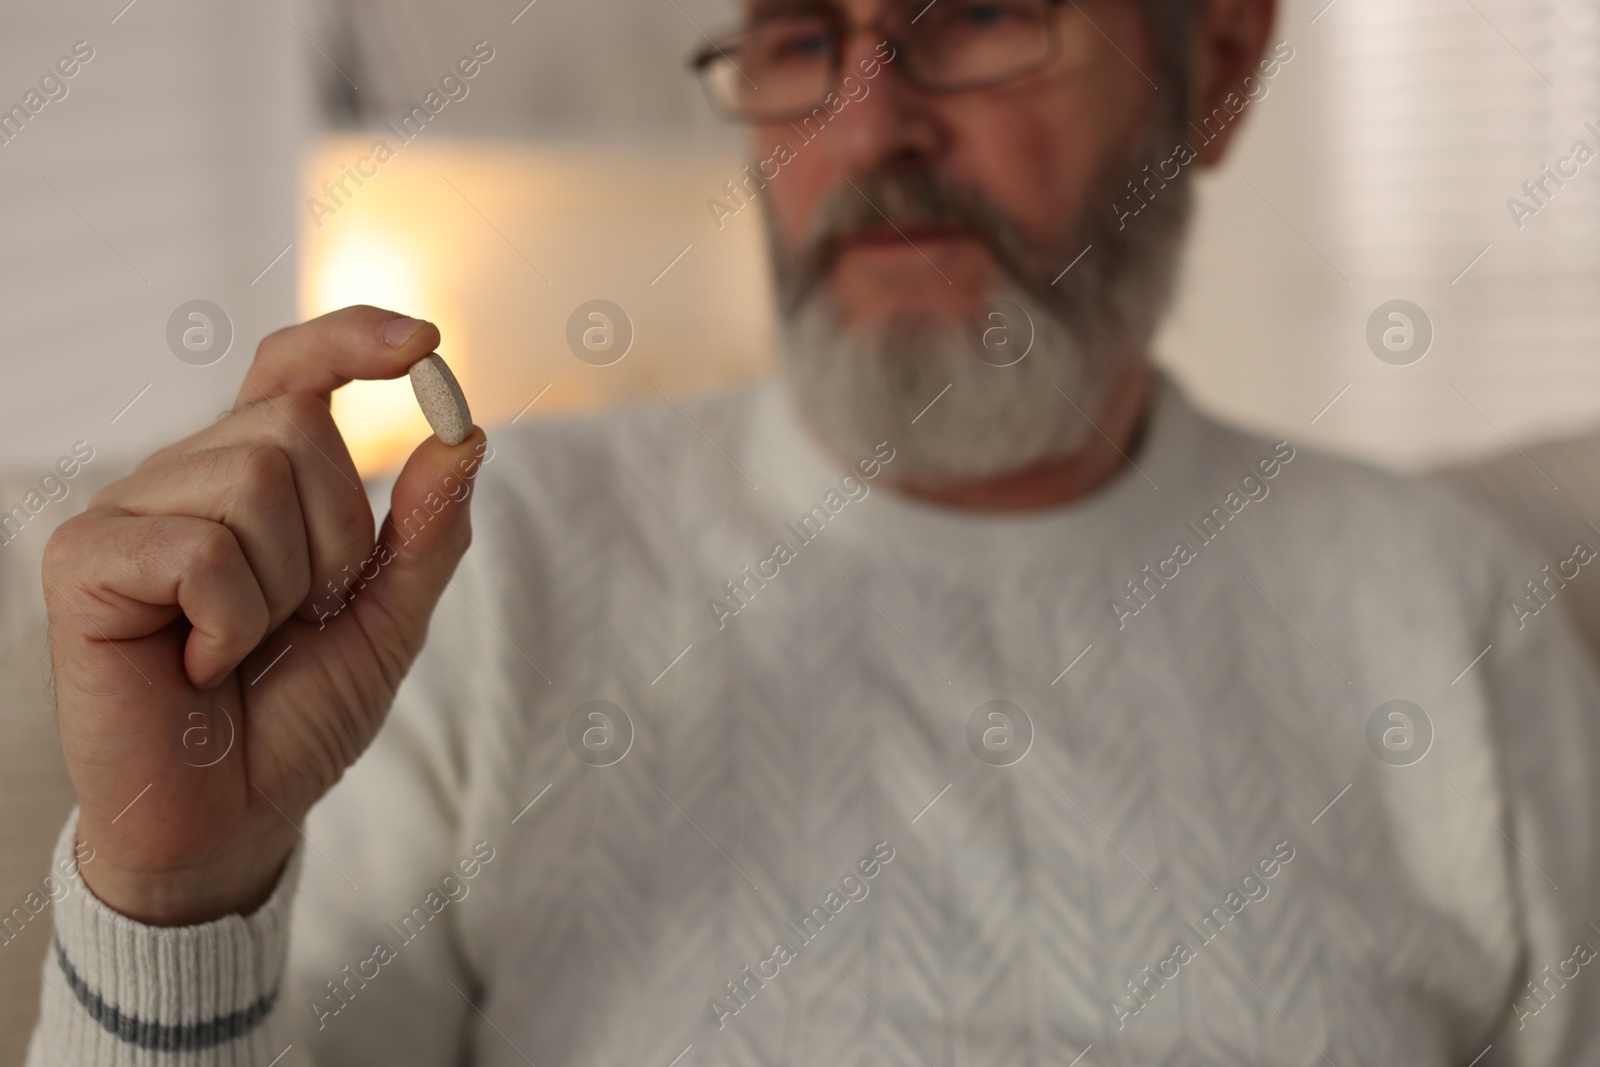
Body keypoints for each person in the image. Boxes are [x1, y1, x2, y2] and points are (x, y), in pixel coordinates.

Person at [29, 0, 1600, 1062]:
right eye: (797, 36)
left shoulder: (1455, 612)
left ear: (1224, 62)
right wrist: (177, 897)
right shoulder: (471, 580)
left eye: (976, 13)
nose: (866, 129)